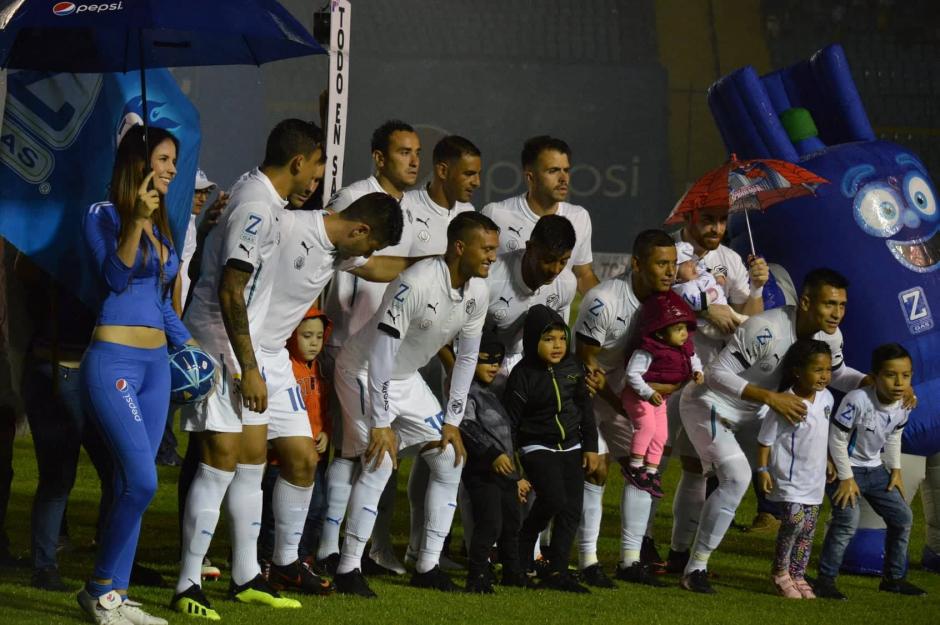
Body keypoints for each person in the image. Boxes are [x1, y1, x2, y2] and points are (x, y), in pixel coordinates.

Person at [173, 119, 324, 619]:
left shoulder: (259, 193)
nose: (319, 178)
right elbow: (229, 289)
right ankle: (187, 584)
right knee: (218, 466)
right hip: (221, 347)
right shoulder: (258, 205)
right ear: (299, 162)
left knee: (253, 462)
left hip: (243, 349)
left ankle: (245, 577)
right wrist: (249, 366)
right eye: (319, 165)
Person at [331, 212, 495, 597]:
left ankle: (428, 565)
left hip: (405, 378)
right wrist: (381, 421)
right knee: (380, 460)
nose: (492, 257)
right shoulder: (414, 283)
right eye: (485, 249)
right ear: (459, 247)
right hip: (363, 369)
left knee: (448, 457)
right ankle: (347, 566)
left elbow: (467, 358)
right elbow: (383, 354)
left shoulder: (478, 292)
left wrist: (453, 420)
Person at [678, 269, 870, 594]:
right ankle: (694, 568)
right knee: (736, 478)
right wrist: (769, 397)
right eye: (829, 304)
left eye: (842, 305)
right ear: (806, 302)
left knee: (706, 477)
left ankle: (678, 555)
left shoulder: (830, 336)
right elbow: (715, 374)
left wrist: (871, 381)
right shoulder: (766, 328)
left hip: (754, 412)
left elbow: (835, 375)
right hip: (710, 405)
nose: (837, 312)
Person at [78, 124, 191, 625]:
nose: (171, 169)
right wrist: (136, 223)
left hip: (155, 366)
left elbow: (161, 302)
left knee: (134, 483)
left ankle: (115, 598)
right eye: (164, 159)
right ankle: (100, 587)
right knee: (142, 480)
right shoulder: (101, 215)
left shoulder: (165, 224)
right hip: (114, 361)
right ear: (140, 163)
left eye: (173, 161)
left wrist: (192, 346)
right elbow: (115, 278)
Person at [318, 119, 421, 576]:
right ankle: (329, 548)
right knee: (349, 451)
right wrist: (429, 264)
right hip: (344, 343)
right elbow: (360, 263)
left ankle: (361, 549)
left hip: (384, 350)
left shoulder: (409, 208)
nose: (414, 160)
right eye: (403, 152)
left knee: (368, 453)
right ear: (379, 157)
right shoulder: (353, 199)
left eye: (417, 151)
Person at [573, 229, 675, 586]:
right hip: (583, 391)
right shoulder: (604, 301)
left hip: (618, 392)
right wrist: (619, 402)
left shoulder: (667, 306)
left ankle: (630, 561)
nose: (669, 271)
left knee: (645, 465)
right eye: (661, 263)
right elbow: (585, 365)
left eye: (674, 264)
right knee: (595, 468)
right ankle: (587, 560)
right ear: (636, 263)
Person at [669, 207, 771, 554]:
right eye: (707, 220)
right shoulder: (666, 252)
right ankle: (639, 549)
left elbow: (752, 322)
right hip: (666, 371)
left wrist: (756, 288)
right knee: (651, 462)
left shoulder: (730, 258)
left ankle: (679, 552)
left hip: (712, 375)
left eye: (721, 220)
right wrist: (703, 308)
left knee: (696, 466)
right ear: (688, 218)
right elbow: (652, 302)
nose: (716, 228)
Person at [16, 254, 114, 592]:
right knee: (58, 477)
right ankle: (44, 566)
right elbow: (25, 276)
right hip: (57, 369)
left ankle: (112, 557)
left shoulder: (104, 250)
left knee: (118, 471)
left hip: (90, 372)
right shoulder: (48, 257)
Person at [815, 343, 926, 599]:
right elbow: (837, 439)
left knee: (903, 518)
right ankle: (825, 581)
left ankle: (893, 579)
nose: (899, 382)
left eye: (906, 375)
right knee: (847, 522)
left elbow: (895, 434)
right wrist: (846, 478)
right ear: (874, 377)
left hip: (875, 470)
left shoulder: (906, 403)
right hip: (844, 469)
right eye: (890, 375)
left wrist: (895, 469)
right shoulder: (857, 400)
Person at [505, 304, 599, 593]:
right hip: (536, 445)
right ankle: (522, 556)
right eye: (548, 339)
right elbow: (509, 423)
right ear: (533, 341)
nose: (557, 346)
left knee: (572, 510)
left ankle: (557, 571)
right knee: (554, 500)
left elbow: (584, 409)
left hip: (571, 445)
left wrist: (591, 447)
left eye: (561, 338)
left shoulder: (572, 367)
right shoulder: (522, 375)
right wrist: (515, 470)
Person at [754, 339, 834, 599]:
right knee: (793, 523)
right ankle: (780, 572)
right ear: (797, 371)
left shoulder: (827, 398)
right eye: (818, 370)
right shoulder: (784, 403)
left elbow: (821, 434)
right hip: (789, 480)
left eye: (828, 370)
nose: (824, 376)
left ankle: (798, 575)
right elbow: (765, 439)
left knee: (808, 529)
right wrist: (763, 469)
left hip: (814, 480)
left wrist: (829, 460)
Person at [259, 307, 332, 573]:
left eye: (319, 336)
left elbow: (323, 410)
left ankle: (301, 559)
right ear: (291, 336)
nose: (314, 342)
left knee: (315, 509)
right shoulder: (284, 369)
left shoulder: (319, 370)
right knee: (273, 515)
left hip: (316, 459)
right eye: (306, 336)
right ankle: (267, 560)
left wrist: (326, 432)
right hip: (282, 459)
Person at [458, 333, 531, 593]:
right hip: (481, 472)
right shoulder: (466, 392)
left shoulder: (493, 393)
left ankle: (512, 572)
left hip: (504, 474)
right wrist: (491, 456)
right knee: (490, 524)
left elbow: (506, 440)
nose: (492, 366)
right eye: (485, 360)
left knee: (512, 524)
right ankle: (477, 574)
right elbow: (465, 427)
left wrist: (516, 476)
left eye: (496, 362)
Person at [482, 135, 598, 296]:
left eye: (566, 170)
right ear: (531, 177)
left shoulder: (579, 216)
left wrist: (605, 307)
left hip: (552, 321)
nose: (563, 178)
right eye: (553, 171)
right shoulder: (496, 214)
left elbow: (583, 275)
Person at [622, 290, 703, 498]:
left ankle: (651, 470)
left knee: (661, 435)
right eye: (678, 328)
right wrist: (648, 393)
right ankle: (635, 466)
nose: (684, 333)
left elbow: (693, 358)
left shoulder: (683, 347)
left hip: (659, 399)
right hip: (639, 396)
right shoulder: (649, 349)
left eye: (685, 327)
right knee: (647, 427)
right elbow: (632, 374)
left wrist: (697, 371)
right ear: (659, 332)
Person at [481, 214, 577, 385]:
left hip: (527, 363)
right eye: (548, 260)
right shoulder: (490, 278)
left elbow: (557, 340)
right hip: (481, 359)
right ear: (530, 247)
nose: (555, 269)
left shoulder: (567, 283)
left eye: (563, 261)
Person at [671, 242, 746, 339]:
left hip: (724, 307)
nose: (691, 264)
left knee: (744, 323)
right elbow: (697, 302)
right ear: (677, 277)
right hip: (708, 325)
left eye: (691, 260)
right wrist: (712, 294)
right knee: (734, 333)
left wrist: (718, 275)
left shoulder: (697, 272)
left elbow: (707, 269)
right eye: (685, 263)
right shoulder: (684, 288)